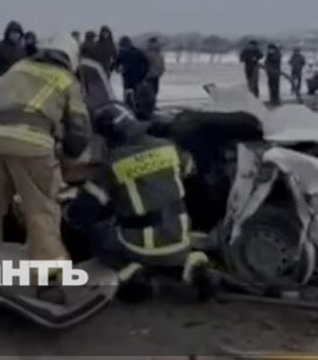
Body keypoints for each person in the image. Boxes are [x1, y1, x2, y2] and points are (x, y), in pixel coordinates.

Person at [0, 34, 92, 302]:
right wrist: (68, 154)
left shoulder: (17, 68)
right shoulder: (66, 79)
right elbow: (79, 131)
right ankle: (48, 283)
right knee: (41, 212)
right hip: (31, 146)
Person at [64, 102, 215, 303]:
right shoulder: (168, 147)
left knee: (98, 234)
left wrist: (67, 211)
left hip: (139, 244)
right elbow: (190, 170)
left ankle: (131, 273)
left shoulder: (111, 164)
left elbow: (82, 212)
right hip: (180, 235)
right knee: (169, 250)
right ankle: (193, 267)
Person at [115, 36, 151, 116]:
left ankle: (128, 111)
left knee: (127, 95)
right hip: (138, 77)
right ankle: (139, 111)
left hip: (127, 78)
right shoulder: (139, 52)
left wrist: (118, 70)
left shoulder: (121, 53)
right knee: (137, 95)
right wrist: (143, 74)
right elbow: (147, 64)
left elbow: (116, 65)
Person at [144, 36, 166, 105]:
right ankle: (153, 103)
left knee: (148, 91)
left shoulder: (147, 53)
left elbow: (144, 65)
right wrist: (161, 72)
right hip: (157, 75)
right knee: (155, 90)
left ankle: (149, 104)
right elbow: (162, 65)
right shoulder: (159, 53)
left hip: (148, 75)